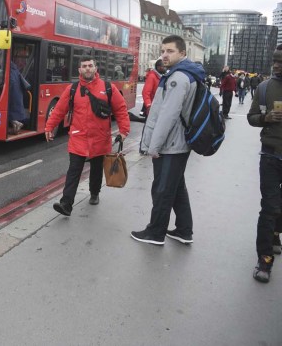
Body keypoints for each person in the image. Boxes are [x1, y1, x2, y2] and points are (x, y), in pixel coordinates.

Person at [131, 35, 204, 245]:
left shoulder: (177, 78)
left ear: (182, 53)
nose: (164, 54)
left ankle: (155, 232)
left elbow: (167, 115)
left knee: (162, 189)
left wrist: (153, 146)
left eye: (170, 51)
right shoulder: (185, 74)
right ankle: (183, 229)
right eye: (163, 50)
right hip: (178, 143)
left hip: (170, 144)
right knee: (176, 187)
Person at [45, 55, 130, 214]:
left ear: (95, 68)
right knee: (73, 171)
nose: (87, 68)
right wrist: (49, 127)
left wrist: (124, 131)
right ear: (79, 70)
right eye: (84, 66)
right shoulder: (72, 89)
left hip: (100, 138)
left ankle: (94, 192)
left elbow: (121, 110)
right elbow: (59, 110)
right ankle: (66, 204)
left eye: (90, 65)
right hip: (78, 138)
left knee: (96, 169)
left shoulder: (108, 87)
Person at [247, 45, 282, 283]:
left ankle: (276, 235)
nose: (276, 65)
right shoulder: (264, 88)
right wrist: (265, 118)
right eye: (275, 61)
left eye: (281, 62)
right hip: (270, 154)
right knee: (269, 207)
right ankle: (264, 259)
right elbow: (251, 118)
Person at [8, 60, 30, 134]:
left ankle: (16, 124)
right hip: (16, 93)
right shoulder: (14, 69)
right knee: (11, 111)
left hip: (12, 93)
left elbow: (11, 81)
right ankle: (15, 125)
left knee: (8, 110)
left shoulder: (9, 69)